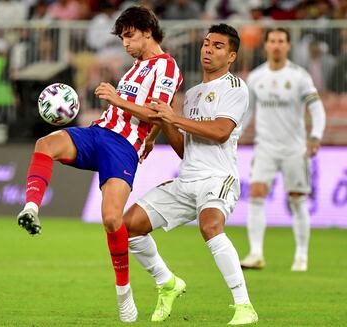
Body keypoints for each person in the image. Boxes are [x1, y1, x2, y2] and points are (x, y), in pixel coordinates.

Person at [16, 5, 182, 322]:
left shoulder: (168, 67)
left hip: (121, 149)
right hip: (99, 134)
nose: (126, 44)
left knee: (111, 219)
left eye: (129, 36)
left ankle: (124, 293)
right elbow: (156, 113)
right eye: (122, 38)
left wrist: (118, 101)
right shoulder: (135, 68)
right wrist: (151, 136)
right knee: (45, 144)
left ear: (148, 31)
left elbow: (160, 111)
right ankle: (31, 208)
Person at [123, 24, 258, 325]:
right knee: (128, 225)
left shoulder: (235, 88)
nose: (208, 50)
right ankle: (167, 283)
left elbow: (222, 133)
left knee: (210, 226)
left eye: (218, 46)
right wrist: (164, 122)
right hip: (187, 179)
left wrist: (175, 117)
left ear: (231, 55)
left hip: (218, 178)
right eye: (207, 43)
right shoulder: (194, 93)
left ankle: (244, 306)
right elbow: (186, 149)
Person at [240, 28, 326, 272]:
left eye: (281, 41)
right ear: (265, 45)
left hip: (294, 149)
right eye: (272, 41)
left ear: (288, 46)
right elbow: (248, 112)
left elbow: (317, 109)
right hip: (265, 147)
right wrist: (234, 135)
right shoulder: (256, 77)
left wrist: (315, 136)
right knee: (256, 194)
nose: (276, 45)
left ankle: (301, 256)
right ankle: (256, 253)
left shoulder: (299, 76)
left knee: (297, 200)